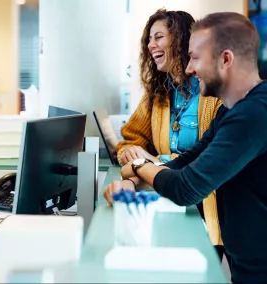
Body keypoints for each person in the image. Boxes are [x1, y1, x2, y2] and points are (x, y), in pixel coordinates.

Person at [105, 12, 267, 283]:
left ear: (226, 59)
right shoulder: (231, 112)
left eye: (195, 58)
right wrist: (134, 180)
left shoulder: (253, 114)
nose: (189, 68)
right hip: (247, 264)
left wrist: (139, 167)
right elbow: (189, 159)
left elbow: (186, 187)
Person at [115, 9, 224, 258]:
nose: (151, 45)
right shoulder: (158, 93)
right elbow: (130, 138)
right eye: (149, 39)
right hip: (169, 195)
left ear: (181, 39)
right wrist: (129, 152)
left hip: (206, 202)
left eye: (159, 37)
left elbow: (212, 156)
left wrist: (151, 163)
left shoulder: (212, 91)